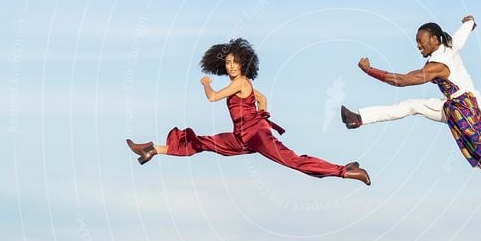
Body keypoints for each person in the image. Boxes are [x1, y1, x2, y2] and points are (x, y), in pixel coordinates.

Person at [127, 38, 371, 184]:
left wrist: (206, 84)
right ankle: (153, 150)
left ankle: (347, 172)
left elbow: (212, 98)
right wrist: (263, 112)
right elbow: (262, 97)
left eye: (235, 62)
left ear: (243, 63)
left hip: (256, 136)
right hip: (241, 137)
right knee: (201, 143)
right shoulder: (243, 85)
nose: (231, 66)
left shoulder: (240, 82)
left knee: (294, 161)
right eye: (228, 63)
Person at [340, 15, 481, 171]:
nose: (418, 45)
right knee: (410, 106)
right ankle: (358, 118)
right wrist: (470, 22)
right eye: (417, 41)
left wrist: (370, 70)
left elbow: (403, 80)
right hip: (451, 104)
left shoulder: (440, 64)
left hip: (466, 108)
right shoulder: (448, 45)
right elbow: (461, 35)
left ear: (434, 39)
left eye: (421, 41)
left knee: (480, 148)